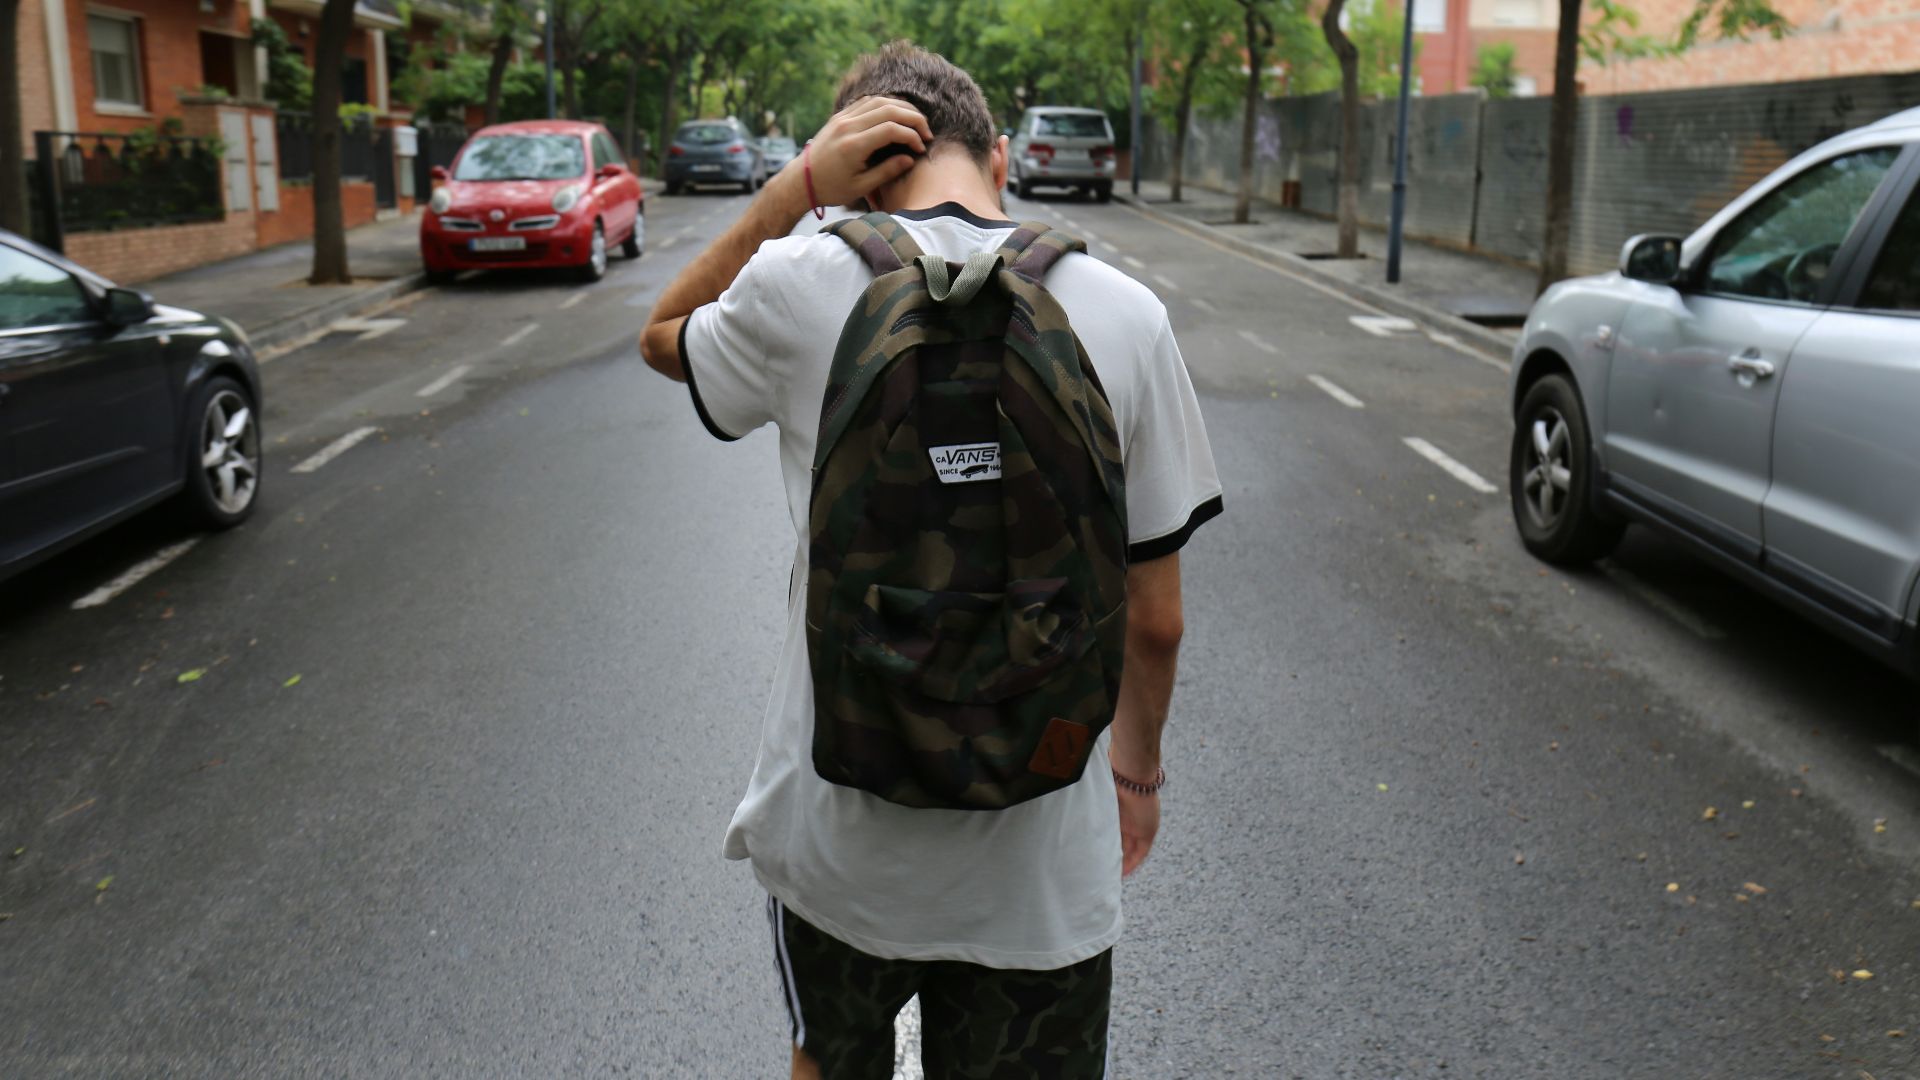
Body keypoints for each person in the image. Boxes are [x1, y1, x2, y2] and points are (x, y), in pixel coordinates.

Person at [639, 41, 1222, 1080]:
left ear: (853, 160)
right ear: (1000, 158)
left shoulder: (798, 283)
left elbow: (662, 332)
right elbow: (1155, 617)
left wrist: (794, 193)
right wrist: (1135, 776)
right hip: (1041, 863)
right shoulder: (1128, 316)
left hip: (840, 842)